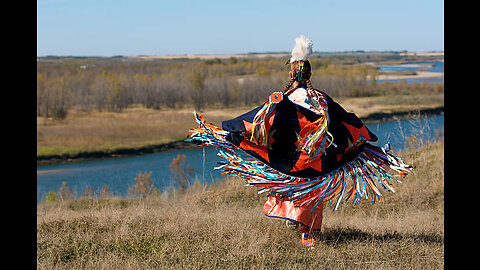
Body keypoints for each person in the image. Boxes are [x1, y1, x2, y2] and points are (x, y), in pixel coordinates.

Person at [187, 35, 412, 248]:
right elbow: (345, 121)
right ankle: (309, 233)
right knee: (310, 192)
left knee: (291, 187)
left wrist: (234, 131)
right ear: (309, 74)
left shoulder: (282, 101)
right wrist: (363, 139)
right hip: (318, 164)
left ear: (291, 74)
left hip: (290, 162)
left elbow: (258, 123)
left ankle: (298, 224)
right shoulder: (322, 99)